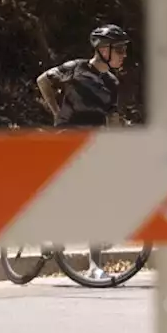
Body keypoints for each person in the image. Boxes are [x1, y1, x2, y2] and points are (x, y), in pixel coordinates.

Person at [35, 23, 131, 280]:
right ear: (102, 50)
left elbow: (112, 116)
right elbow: (43, 80)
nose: (124, 55)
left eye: (124, 50)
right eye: (119, 49)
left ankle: (95, 266)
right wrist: (56, 112)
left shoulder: (111, 82)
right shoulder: (75, 69)